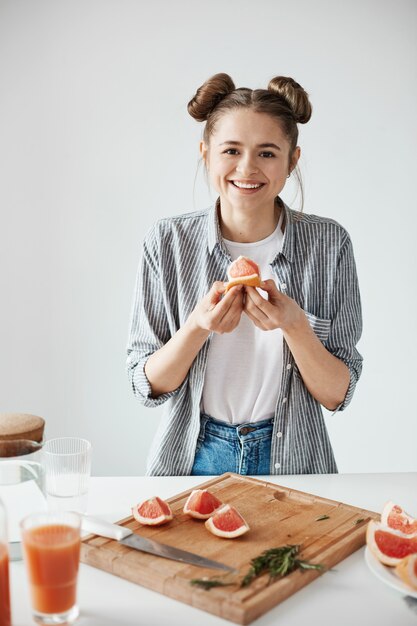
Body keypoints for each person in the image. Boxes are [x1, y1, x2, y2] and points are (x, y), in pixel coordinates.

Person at [126, 73, 363, 477]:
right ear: (206, 154)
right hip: (193, 456)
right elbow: (145, 385)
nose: (248, 168)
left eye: (267, 153)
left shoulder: (330, 243)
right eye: (231, 150)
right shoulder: (167, 241)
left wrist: (295, 327)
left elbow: (337, 394)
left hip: (295, 457)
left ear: (293, 160)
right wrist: (198, 327)